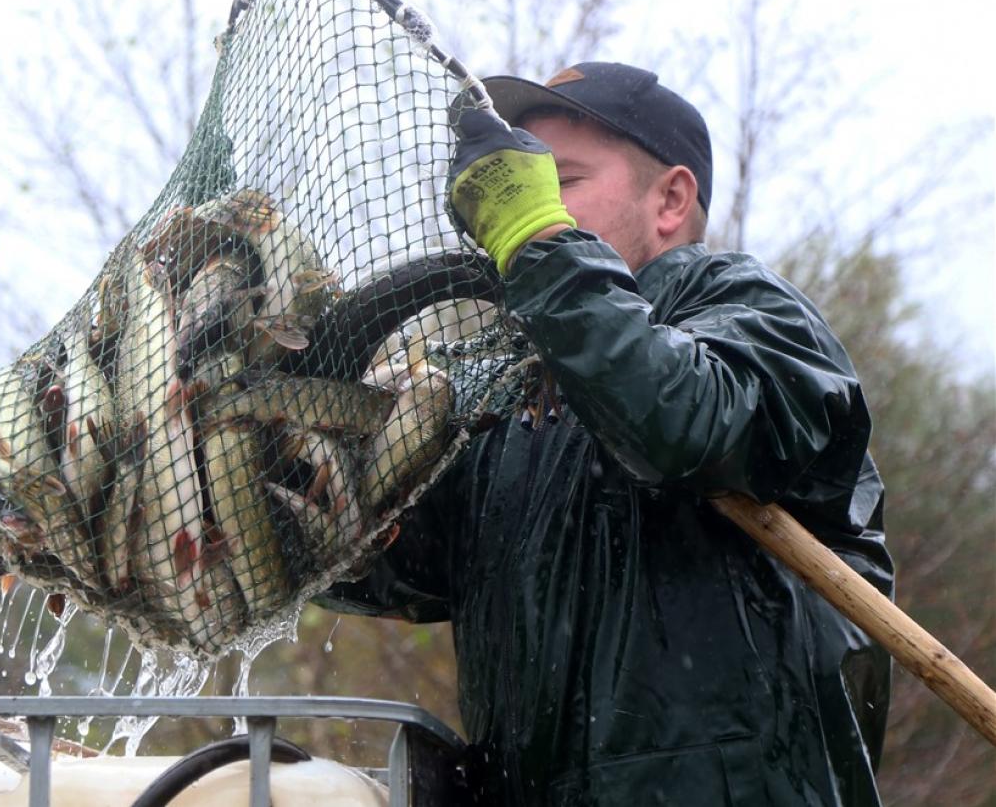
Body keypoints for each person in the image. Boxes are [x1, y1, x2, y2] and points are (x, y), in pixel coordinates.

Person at [319, 62, 895, 805]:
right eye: (516, 187)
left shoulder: (754, 312)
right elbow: (377, 556)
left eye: (558, 182)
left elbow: (684, 419)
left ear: (670, 200)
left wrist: (539, 245)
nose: (517, 207)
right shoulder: (506, 397)